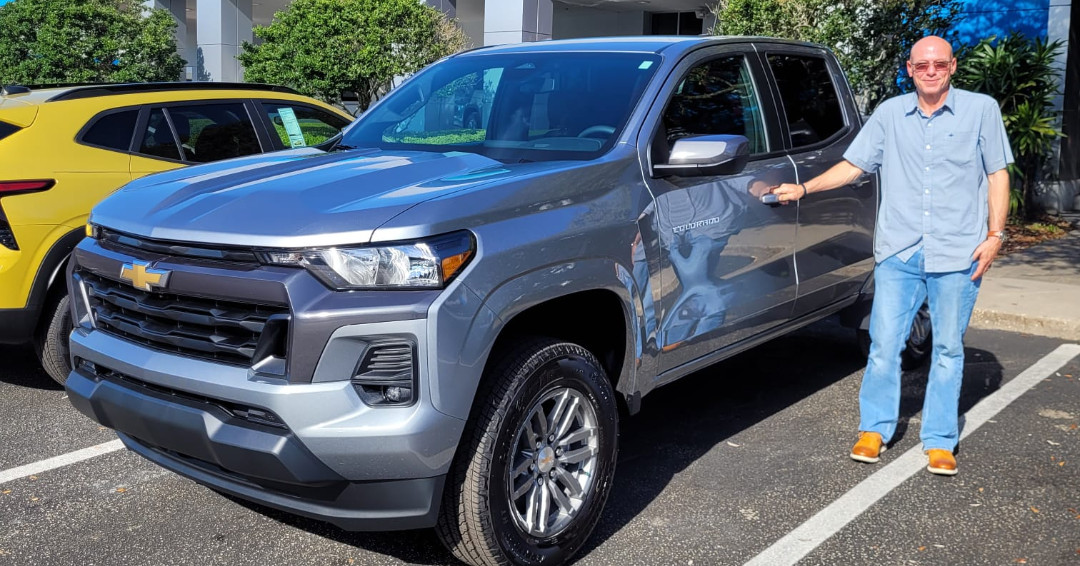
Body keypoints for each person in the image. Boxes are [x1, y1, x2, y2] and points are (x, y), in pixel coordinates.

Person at [770, 36, 1013, 476]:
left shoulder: (982, 110)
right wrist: (805, 188)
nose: (932, 71)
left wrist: (996, 235)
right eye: (923, 65)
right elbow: (855, 165)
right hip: (900, 251)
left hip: (959, 250)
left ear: (953, 66)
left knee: (947, 348)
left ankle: (939, 439)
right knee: (883, 345)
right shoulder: (889, 115)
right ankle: (875, 429)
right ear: (909, 69)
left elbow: (997, 174)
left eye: (940, 63)